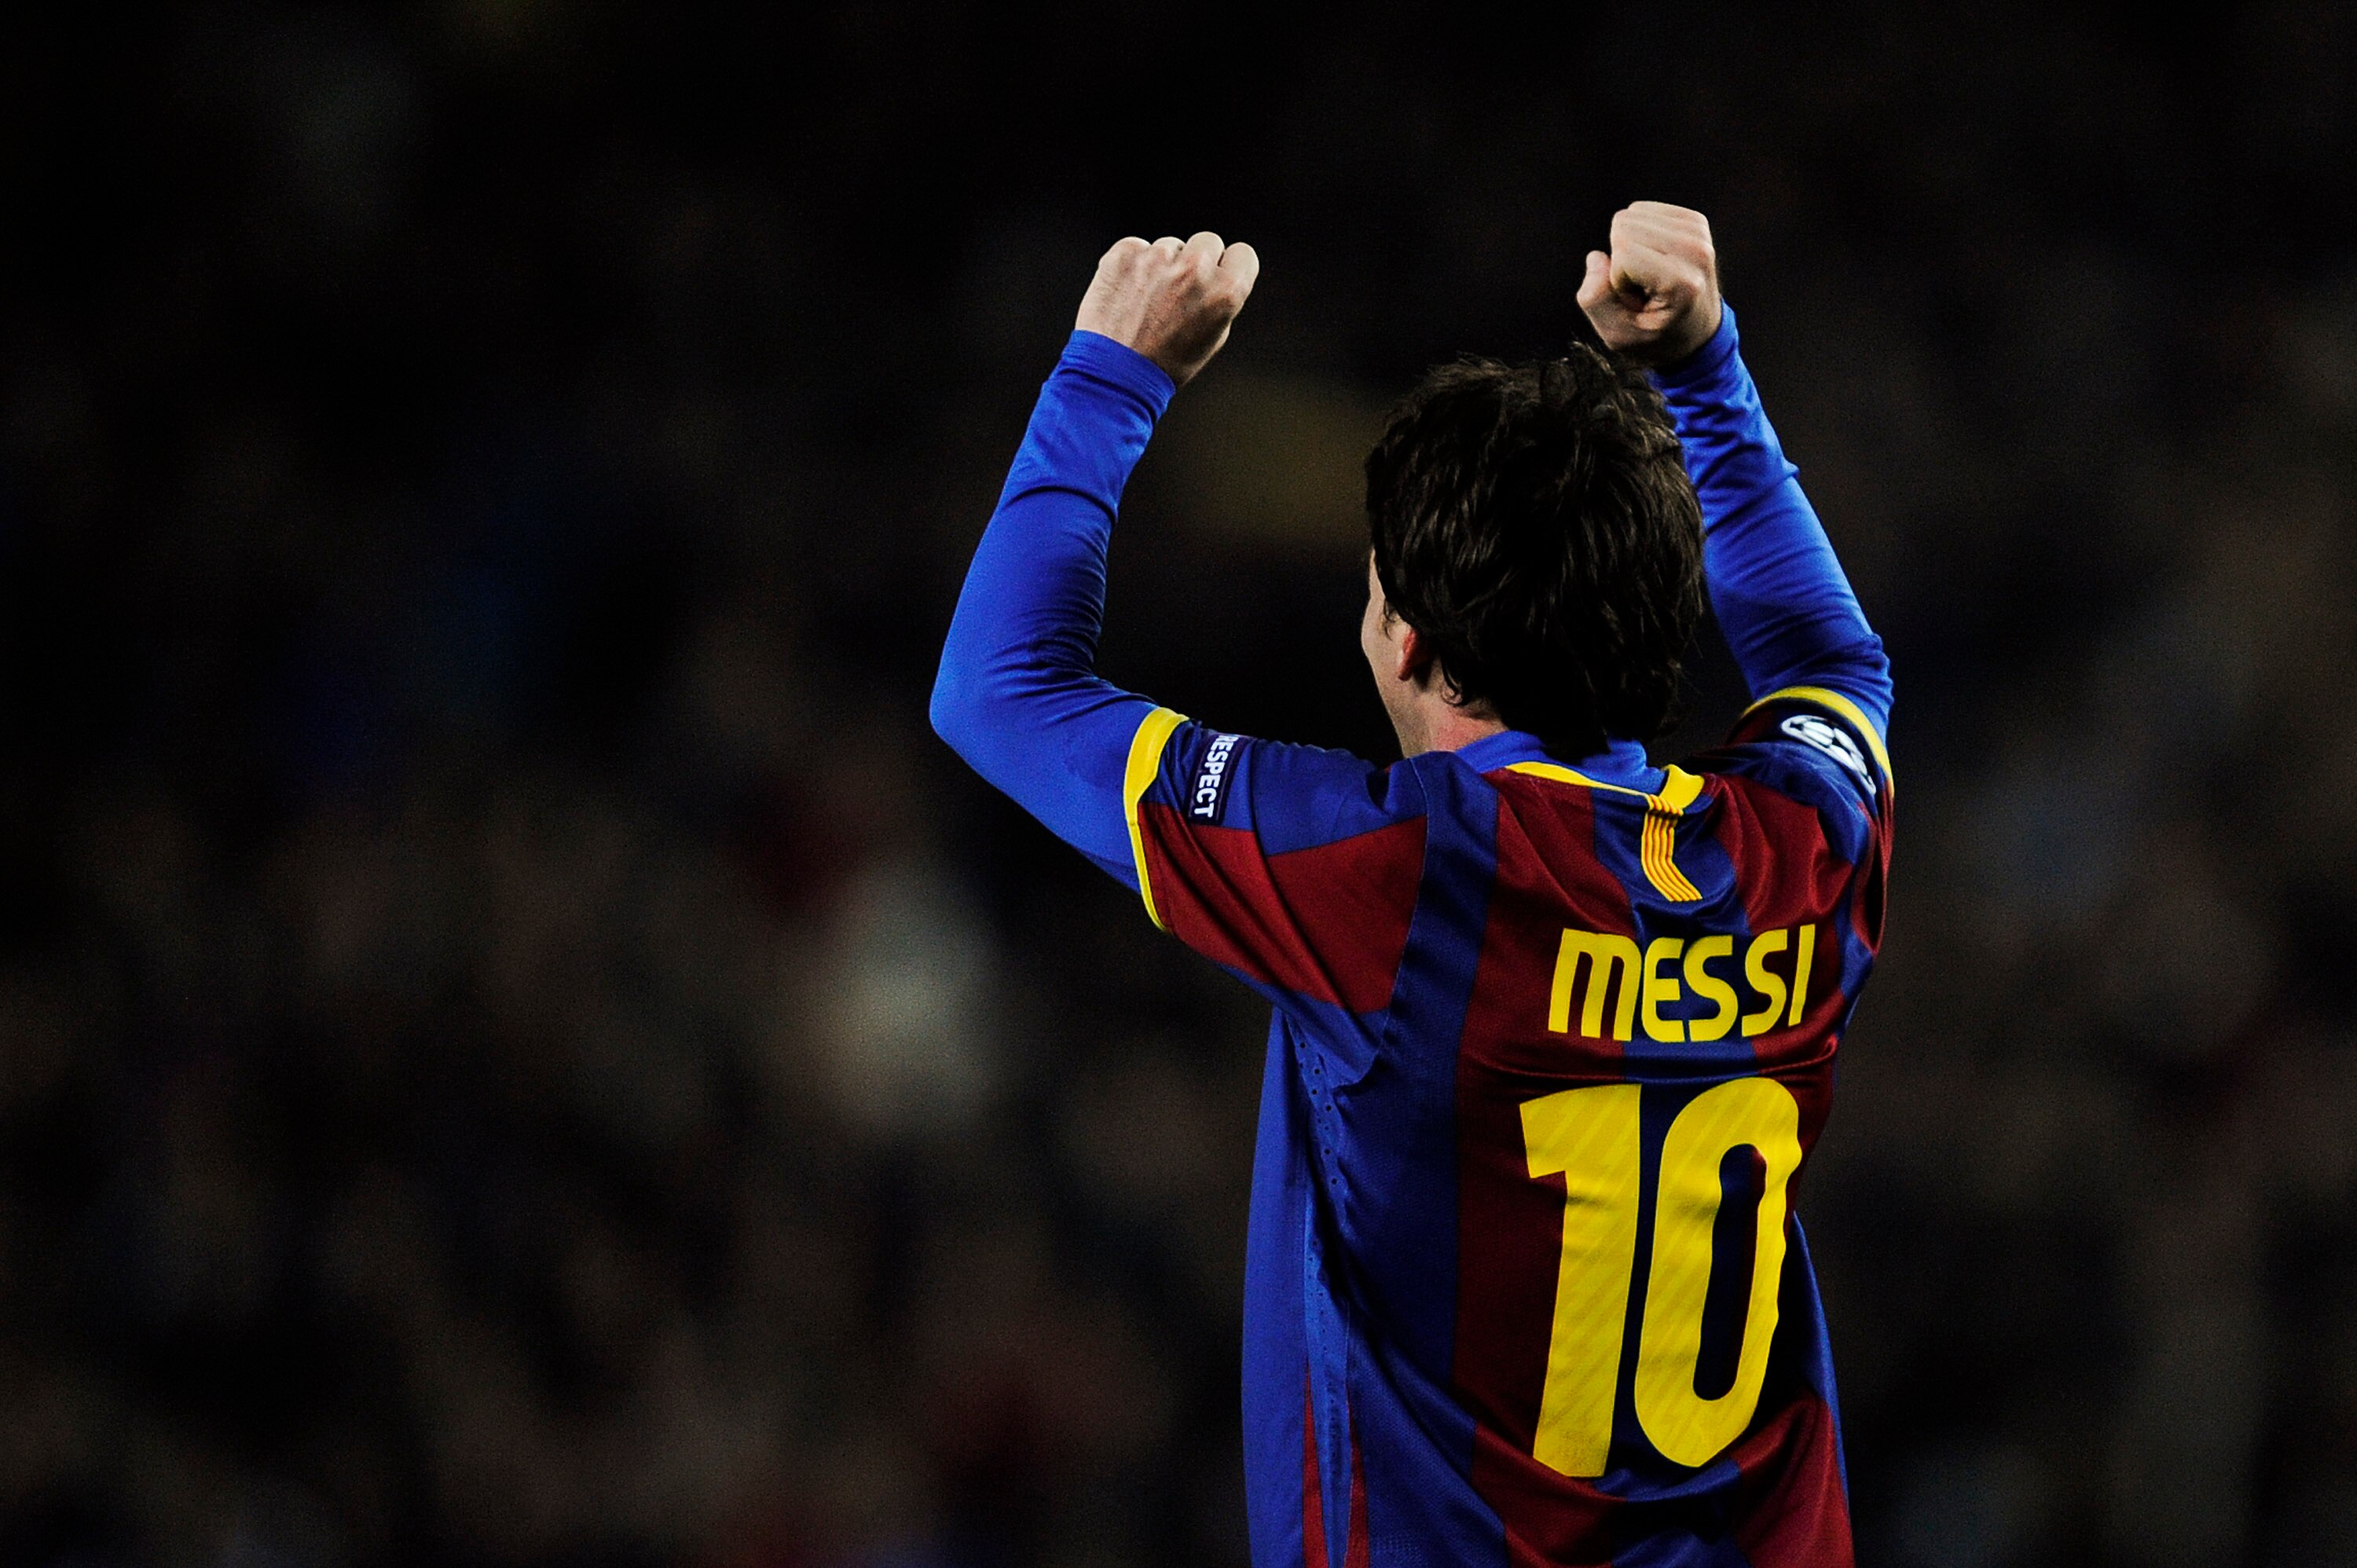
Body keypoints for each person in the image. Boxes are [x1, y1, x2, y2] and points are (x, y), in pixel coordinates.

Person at [931, 203, 1891, 1568]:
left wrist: (1110, 376)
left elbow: (999, 687)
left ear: (1407, 637)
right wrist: (1709, 370)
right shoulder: (1800, 852)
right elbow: (1834, 670)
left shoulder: (1388, 878)